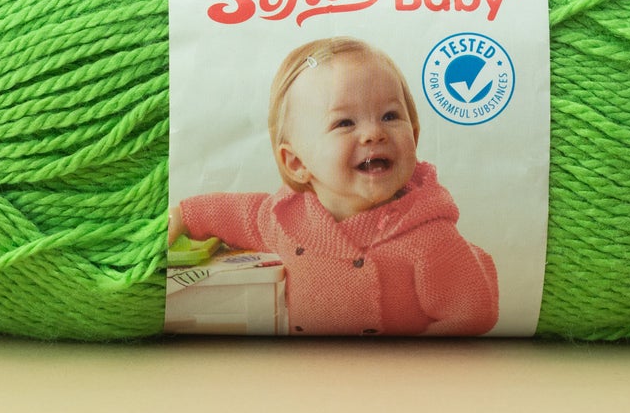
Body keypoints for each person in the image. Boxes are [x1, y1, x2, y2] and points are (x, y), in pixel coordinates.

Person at [168, 37, 498, 335]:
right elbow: (236, 214)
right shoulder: (287, 218)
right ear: (296, 163)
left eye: (389, 116)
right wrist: (182, 217)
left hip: (394, 377)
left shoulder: (429, 237)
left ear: (414, 133)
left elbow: (472, 313)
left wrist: (414, 365)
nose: (374, 133)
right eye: (344, 122)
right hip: (311, 372)